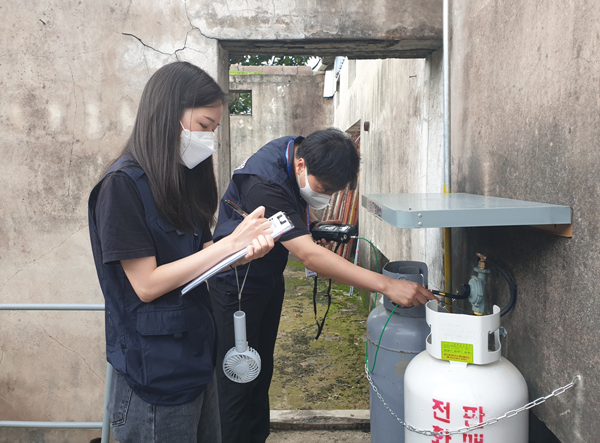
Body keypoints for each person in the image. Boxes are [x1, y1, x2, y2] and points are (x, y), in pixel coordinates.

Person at [208, 128, 437, 443]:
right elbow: (308, 257)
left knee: (261, 372)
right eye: (323, 188)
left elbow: (283, 218)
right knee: (238, 376)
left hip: (267, 277)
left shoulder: (294, 150)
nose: (326, 197)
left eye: (334, 192)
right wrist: (386, 285)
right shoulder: (266, 182)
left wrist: (311, 228)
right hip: (237, 286)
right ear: (301, 166)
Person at [87, 61, 274, 443]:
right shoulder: (121, 186)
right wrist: (229, 245)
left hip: (197, 354)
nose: (208, 138)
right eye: (204, 126)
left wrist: (237, 253)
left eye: (214, 130)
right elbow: (147, 284)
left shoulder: (180, 181)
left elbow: (198, 251)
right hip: (155, 372)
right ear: (168, 113)